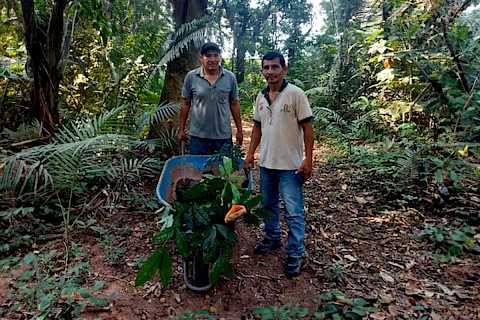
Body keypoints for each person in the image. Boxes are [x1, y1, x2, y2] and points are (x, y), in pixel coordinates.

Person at [243, 51, 314, 278]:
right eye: (266, 68)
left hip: (290, 166)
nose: (270, 72)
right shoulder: (261, 97)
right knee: (269, 206)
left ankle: (295, 252)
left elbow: (308, 129)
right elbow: (257, 128)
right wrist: (250, 154)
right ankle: (273, 238)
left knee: (293, 211)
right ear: (262, 71)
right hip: (267, 163)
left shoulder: (296, 94)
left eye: (275, 67)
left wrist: (308, 160)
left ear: (284, 69)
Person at [177, 42, 243, 155]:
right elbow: (185, 104)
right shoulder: (191, 77)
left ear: (220, 57)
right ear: (201, 58)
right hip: (198, 137)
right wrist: (181, 129)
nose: (212, 59)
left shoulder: (230, 77)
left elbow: (234, 104)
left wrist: (239, 131)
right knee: (198, 170)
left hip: (223, 136)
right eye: (208, 55)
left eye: (215, 55)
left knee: (223, 171)